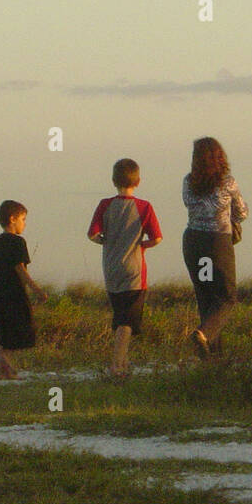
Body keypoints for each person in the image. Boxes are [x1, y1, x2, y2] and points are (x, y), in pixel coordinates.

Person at [88, 159, 163, 377]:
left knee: (120, 316)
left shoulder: (105, 205)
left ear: (113, 181)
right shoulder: (144, 207)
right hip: (134, 271)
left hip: (111, 268)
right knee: (127, 322)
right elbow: (157, 238)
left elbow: (92, 234)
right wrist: (142, 246)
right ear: (138, 181)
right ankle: (117, 365)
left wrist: (107, 242)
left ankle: (124, 363)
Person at [180, 137, 247, 359]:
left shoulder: (188, 182)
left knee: (206, 298)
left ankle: (212, 360)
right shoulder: (228, 183)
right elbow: (242, 212)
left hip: (193, 242)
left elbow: (190, 204)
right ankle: (203, 334)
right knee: (227, 298)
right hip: (217, 243)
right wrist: (232, 220)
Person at [0, 200, 47, 379]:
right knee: (20, 329)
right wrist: (37, 290)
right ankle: (6, 367)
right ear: (12, 219)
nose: (24, 223)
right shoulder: (17, 242)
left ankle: (6, 368)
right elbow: (20, 269)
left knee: (6, 331)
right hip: (14, 293)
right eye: (23, 219)